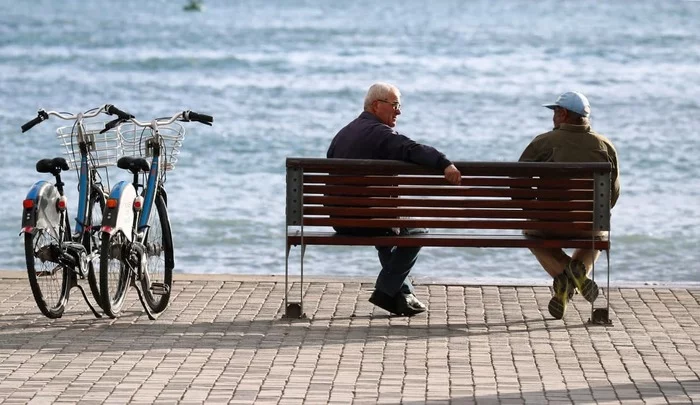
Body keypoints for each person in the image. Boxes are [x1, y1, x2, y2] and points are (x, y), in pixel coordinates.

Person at [327, 82, 462, 316]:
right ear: (377, 106)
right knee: (418, 231)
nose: (399, 111)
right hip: (369, 219)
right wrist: (444, 163)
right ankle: (385, 290)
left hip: (340, 219)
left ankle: (402, 296)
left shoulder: (343, 134)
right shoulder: (380, 133)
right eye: (396, 105)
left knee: (388, 234)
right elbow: (411, 149)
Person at [519, 91, 621, 320]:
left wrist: (533, 211)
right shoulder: (605, 146)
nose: (553, 117)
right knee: (599, 230)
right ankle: (579, 274)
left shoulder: (542, 142)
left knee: (528, 232)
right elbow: (613, 193)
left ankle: (565, 278)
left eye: (555, 112)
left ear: (564, 114)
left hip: (548, 224)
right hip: (588, 224)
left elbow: (517, 183)